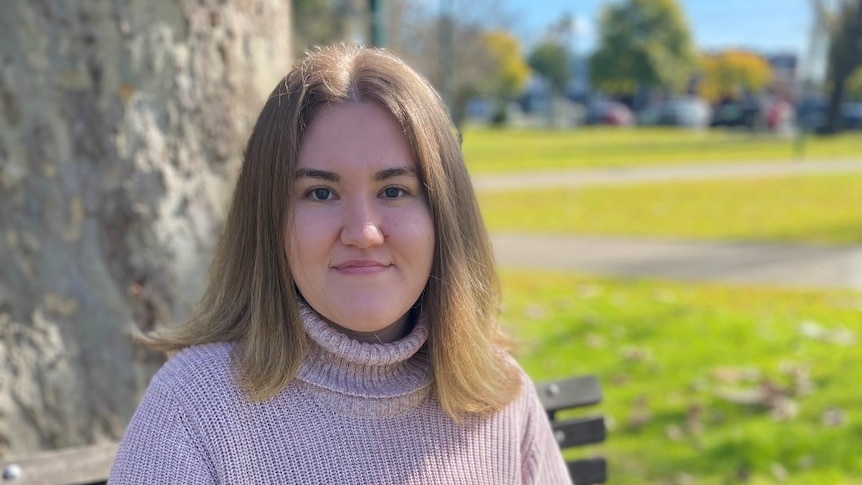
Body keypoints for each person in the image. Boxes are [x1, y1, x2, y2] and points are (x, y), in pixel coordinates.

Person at [109, 43, 571, 484]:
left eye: (394, 191)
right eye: (320, 193)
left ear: (443, 216)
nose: (363, 232)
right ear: (268, 220)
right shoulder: (194, 407)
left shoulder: (499, 395)